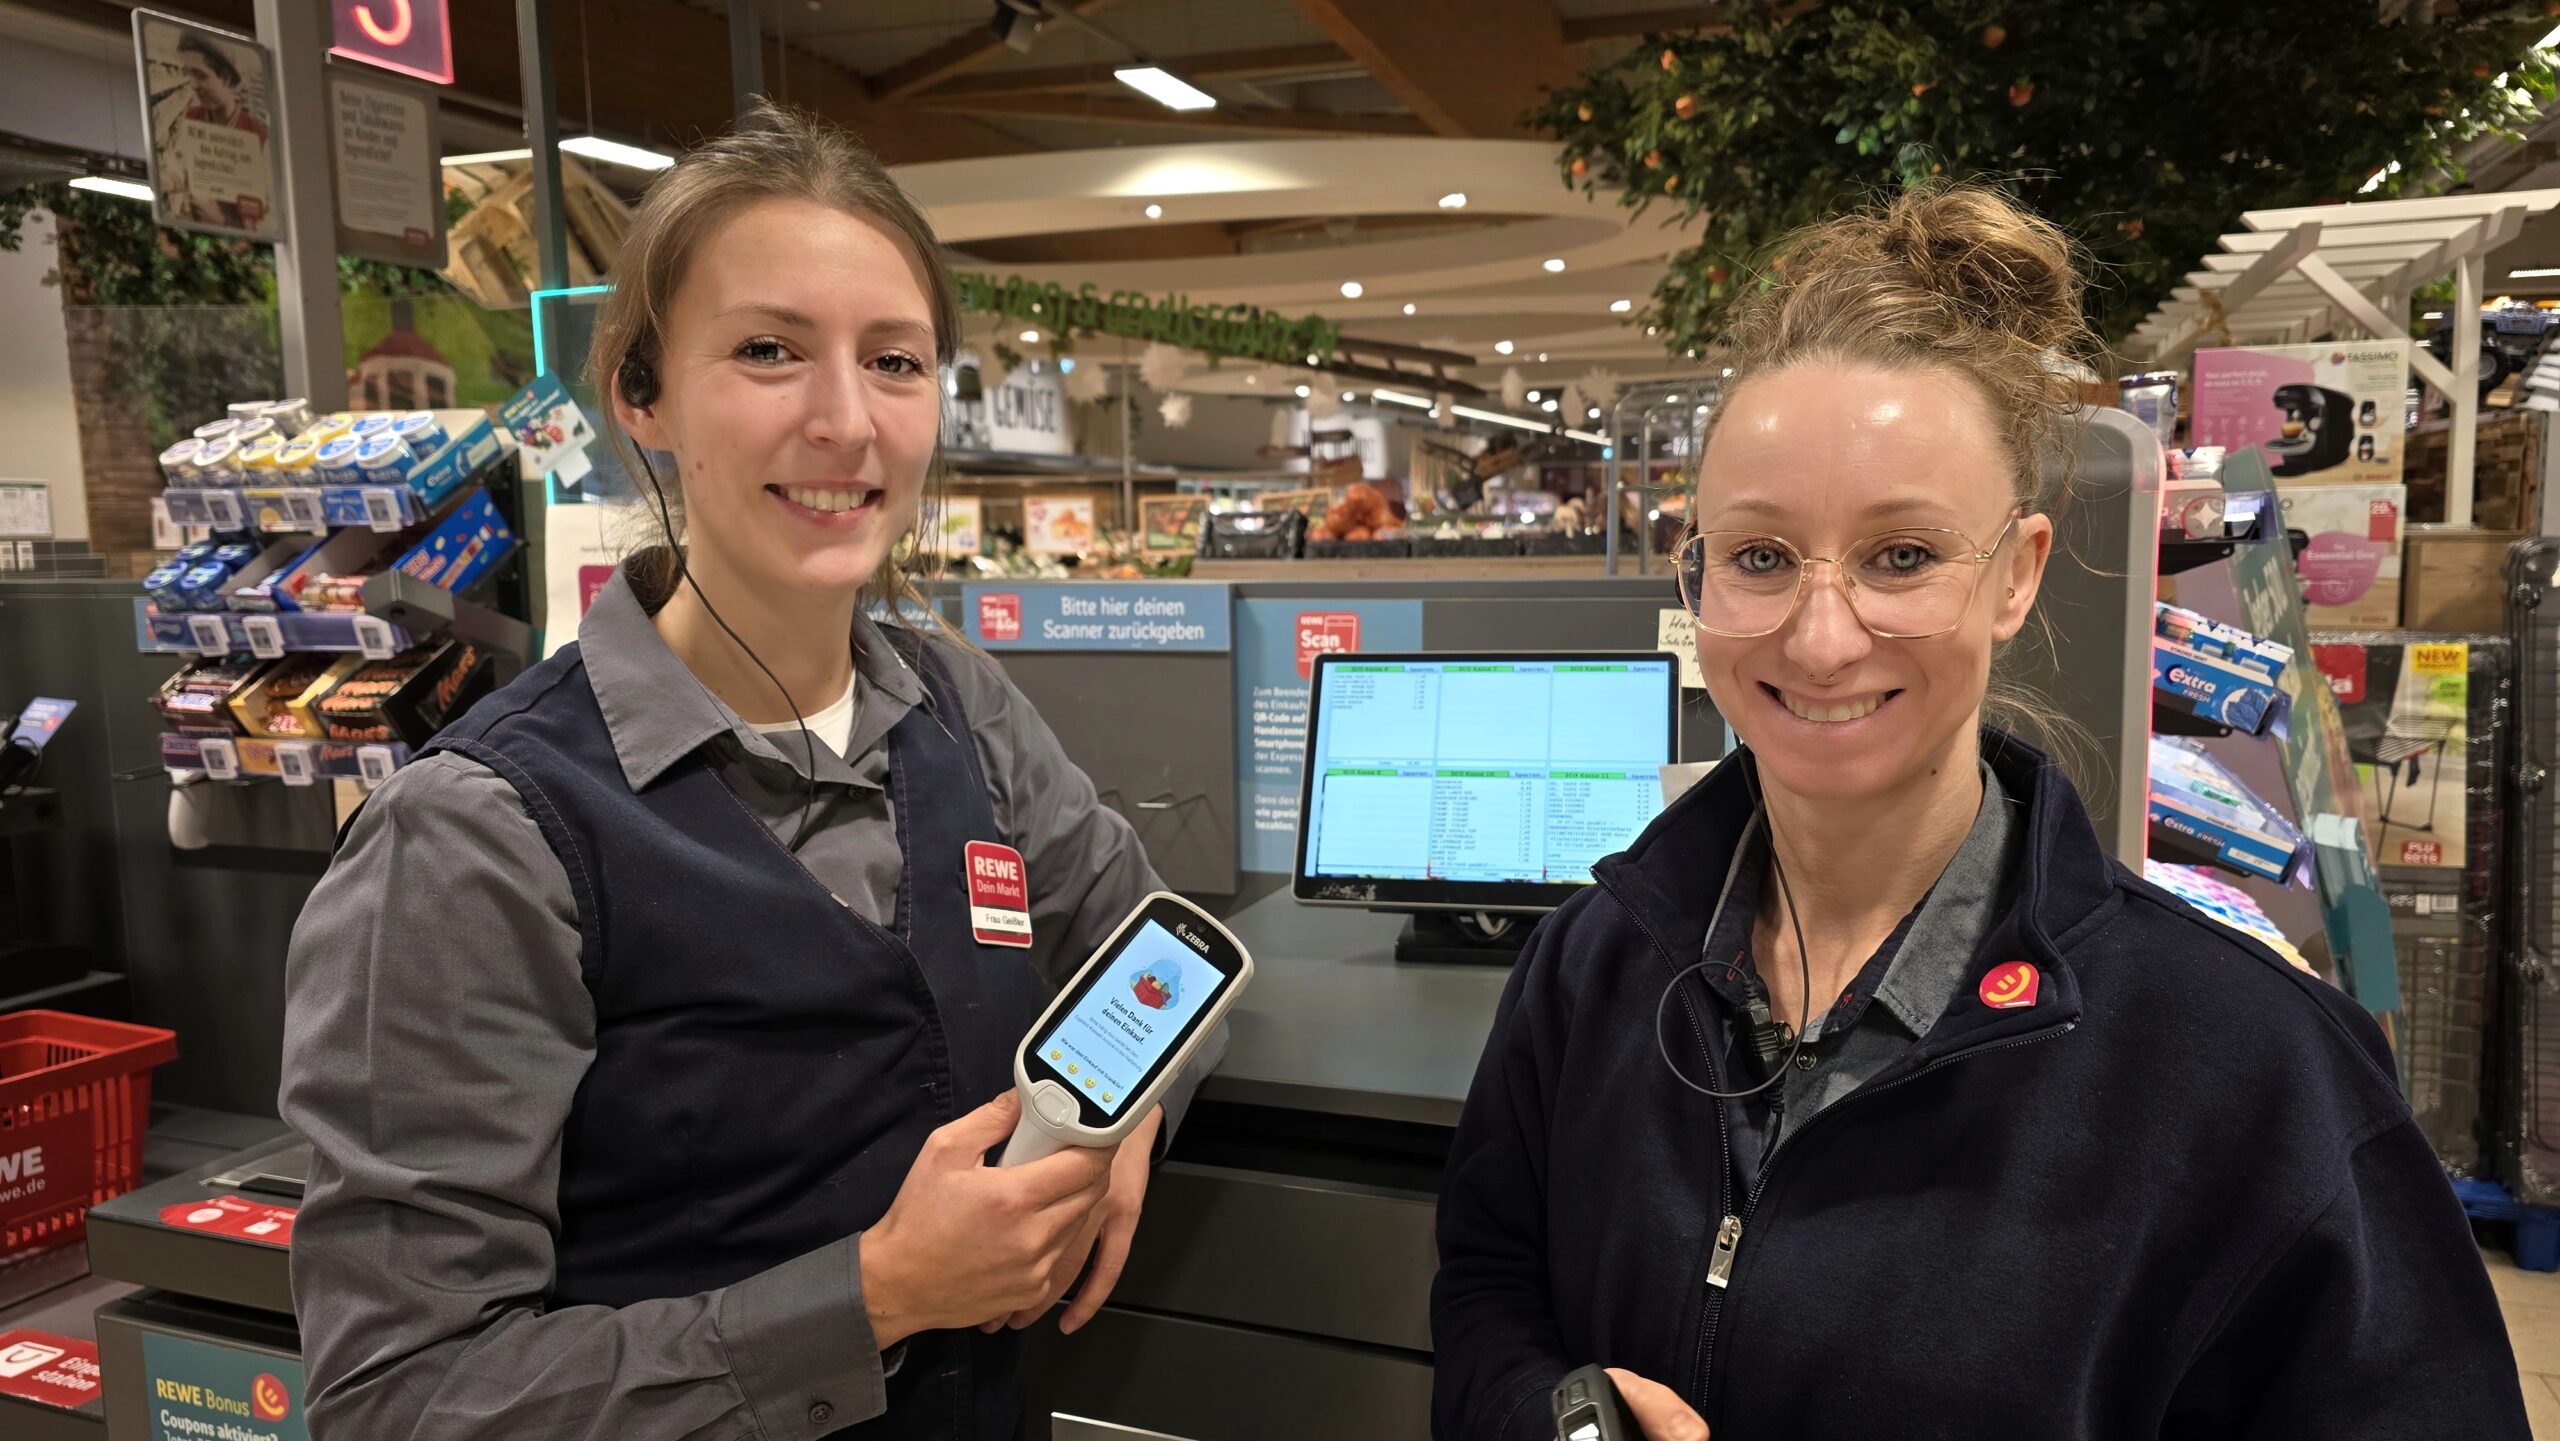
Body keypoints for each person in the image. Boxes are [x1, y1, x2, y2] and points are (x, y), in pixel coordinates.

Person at [1430, 184, 2525, 1440]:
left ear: (2015, 574)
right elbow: (1488, 1290)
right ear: (1698, 573)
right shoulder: (1593, 969)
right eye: (1761, 556)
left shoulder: (2252, 1073)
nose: (1822, 634)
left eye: (1902, 556)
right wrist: (1554, 1414)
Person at [281, 101, 1217, 1440]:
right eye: (771, 351)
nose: (847, 423)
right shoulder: (476, 837)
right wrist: (876, 1295)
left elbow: (1157, 954)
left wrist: (1127, 1118)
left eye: (895, 361)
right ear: (642, 397)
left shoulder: (960, 710)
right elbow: (400, 1398)